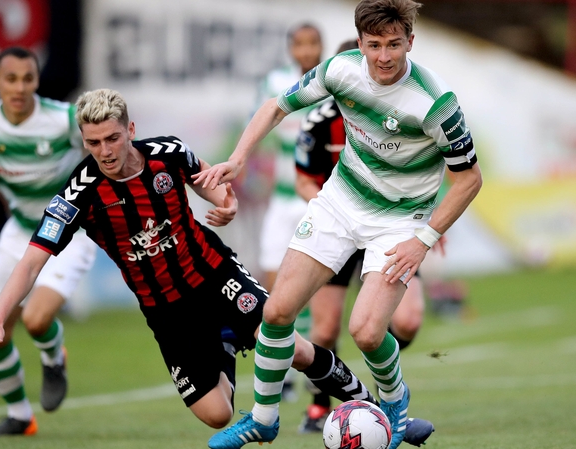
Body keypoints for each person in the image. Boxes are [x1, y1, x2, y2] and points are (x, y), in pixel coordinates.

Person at [0, 88, 419, 445]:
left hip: (215, 276)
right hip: (165, 310)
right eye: (93, 142)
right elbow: (31, 261)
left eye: (112, 138)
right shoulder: (78, 194)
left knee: (292, 348)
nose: (104, 151)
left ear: (130, 130)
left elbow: (210, 182)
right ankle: (225, 344)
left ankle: (380, 411)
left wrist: (226, 203)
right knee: (217, 414)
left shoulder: (168, 152)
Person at [196, 1, 483, 448]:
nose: (384, 56)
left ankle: (395, 403)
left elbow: (469, 179)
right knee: (276, 312)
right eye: (374, 45)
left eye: (394, 44)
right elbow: (276, 107)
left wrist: (424, 240)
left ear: (411, 41)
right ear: (360, 43)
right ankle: (264, 419)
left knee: (367, 332)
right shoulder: (340, 70)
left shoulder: (436, 104)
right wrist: (237, 159)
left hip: (400, 221)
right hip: (339, 203)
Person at [292, 38, 433, 435]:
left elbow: (428, 171)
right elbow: (303, 179)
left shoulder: (405, 111)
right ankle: (320, 406)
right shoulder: (319, 121)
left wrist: (429, 227)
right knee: (324, 330)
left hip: (390, 226)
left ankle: (382, 382)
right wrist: (335, 210)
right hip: (340, 226)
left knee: (407, 321)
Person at [0, 46, 98, 436]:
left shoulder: (64, 119)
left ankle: (54, 358)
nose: (19, 88)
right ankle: (21, 416)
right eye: (11, 79)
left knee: (36, 320)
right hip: (20, 229)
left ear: (37, 81)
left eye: (27, 79)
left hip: (71, 230)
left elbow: (101, 153)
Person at [255, 23, 323, 402]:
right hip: (282, 198)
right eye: (300, 44)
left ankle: (306, 373)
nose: (307, 50)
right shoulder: (276, 84)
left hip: (314, 197)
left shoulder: (331, 82)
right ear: (290, 48)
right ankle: (287, 364)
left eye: (313, 43)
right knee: (272, 284)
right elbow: (260, 123)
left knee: (306, 287)